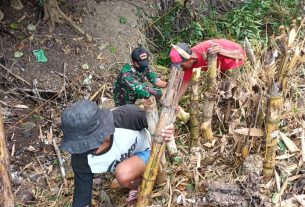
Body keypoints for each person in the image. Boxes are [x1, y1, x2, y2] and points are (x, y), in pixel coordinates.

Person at [60, 99, 174, 207]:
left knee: (123, 174)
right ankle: (136, 182)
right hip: (128, 164)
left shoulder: (127, 116)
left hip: (149, 151)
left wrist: (167, 131)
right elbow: (82, 196)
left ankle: (149, 178)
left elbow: (159, 122)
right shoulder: (81, 160)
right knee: (119, 180)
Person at [169, 39, 246, 101]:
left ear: (190, 59)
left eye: (181, 65)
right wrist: (175, 101)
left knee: (226, 92)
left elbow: (241, 55)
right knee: (218, 90)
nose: (181, 68)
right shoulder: (189, 65)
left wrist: (221, 51)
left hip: (233, 62)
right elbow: (185, 83)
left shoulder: (209, 49)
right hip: (219, 67)